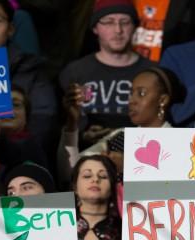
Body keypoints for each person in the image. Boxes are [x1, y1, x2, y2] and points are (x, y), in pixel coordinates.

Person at [0, 0, 57, 149]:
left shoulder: (31, 69)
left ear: (11, 29)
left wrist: (4, 147)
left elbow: (42, 123)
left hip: (16, 159)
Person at [59, 0, 152, 139]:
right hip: (85, 155)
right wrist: (82, 135)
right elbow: (61, 126)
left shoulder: (152, 72)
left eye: (125, 22)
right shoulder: (74, 72)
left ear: (134, 26)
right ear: (95, 28)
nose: (118, 30)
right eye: (108, 22)